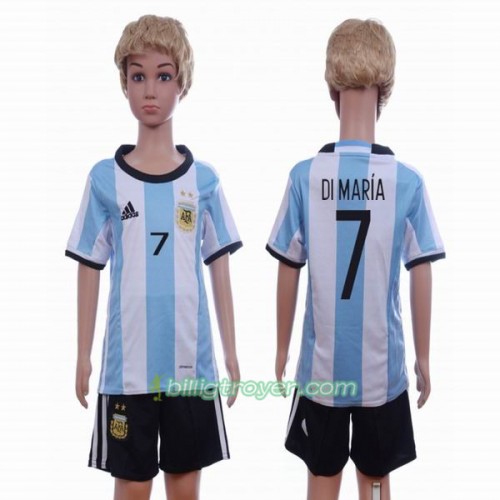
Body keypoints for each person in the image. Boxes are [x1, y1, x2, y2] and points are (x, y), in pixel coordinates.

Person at [266, 19, 445, 500]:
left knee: (322, 482)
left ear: (332, 89)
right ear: (385, 90)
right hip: (381, 372)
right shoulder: (405, 182)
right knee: (376, 484)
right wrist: (423, 357)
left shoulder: (305, 178)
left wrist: (281, 349)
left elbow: (288, 266)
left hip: (322, 372)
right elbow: (421, 270)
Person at [65, 14, 242, 500]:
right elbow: (89, 267)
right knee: (132, 490)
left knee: (185, 491)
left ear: (182, 83)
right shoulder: (105, 179)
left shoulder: (203, 181)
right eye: (138, 75)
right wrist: (82, 354)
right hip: (127, 371)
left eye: (163, 76)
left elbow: (220, 269)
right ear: (124, 83)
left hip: (190, 370)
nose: (150, 90)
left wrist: (230, 353)